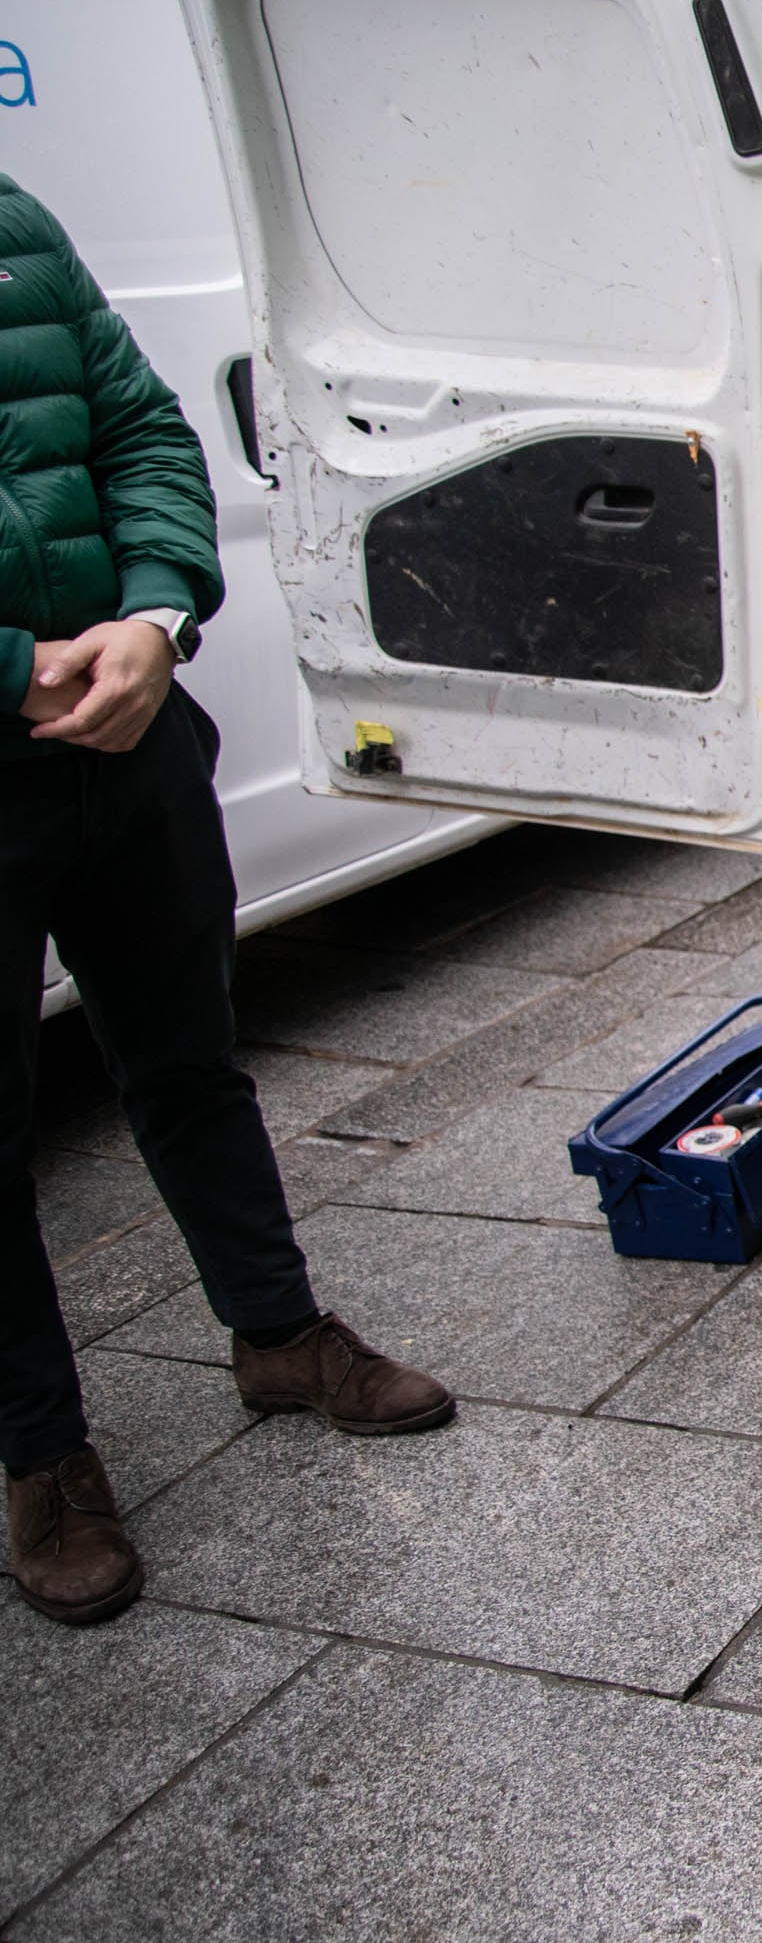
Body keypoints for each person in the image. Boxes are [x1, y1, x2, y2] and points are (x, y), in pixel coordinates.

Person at [1, 174, 453, 1626]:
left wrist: (153, 611)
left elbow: (140, 430)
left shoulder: (17, 223)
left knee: (189, 1064)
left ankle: (275, 1334)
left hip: (126, 747)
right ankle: (44, 1460)